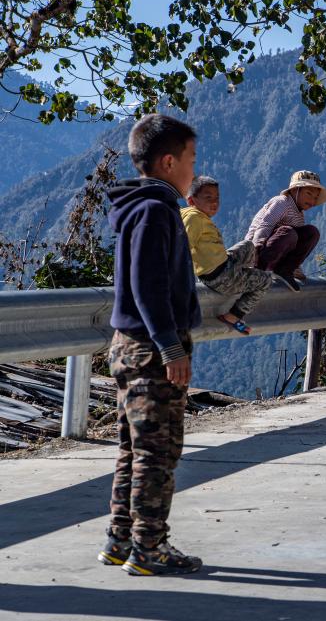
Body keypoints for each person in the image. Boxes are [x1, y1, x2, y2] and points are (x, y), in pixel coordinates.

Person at [99, 113, 203, 575]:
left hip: (130, 344)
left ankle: (120, 541)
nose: (194, 170)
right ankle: (149, 549)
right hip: (150, 347)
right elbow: (148, 284)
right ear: (167, 162)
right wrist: (171, 347)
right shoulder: (156, 209)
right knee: (158, 454)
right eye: (190, 159)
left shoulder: (141, 206)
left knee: (133, 449)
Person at [181, 175, 273, 334]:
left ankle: (245, 276)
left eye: (217, 197)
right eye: (208, 198)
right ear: (191, 201)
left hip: (224, 265)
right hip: (220, 276)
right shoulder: (194, 218)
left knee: (248, 246)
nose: (214, 202)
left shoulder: (191, 214)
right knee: (265, 280)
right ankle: (234, 316)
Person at [244, 170, 326, 292]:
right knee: (289, 233)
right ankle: (258, 271)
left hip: (276, 251)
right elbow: (265, 225)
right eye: (309, 194)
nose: (312, 200)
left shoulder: (299, 215)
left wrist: (295, 267)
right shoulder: (282, 202)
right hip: (257, 253)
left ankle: (285, 271)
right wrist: (255, 252)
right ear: (295, 190)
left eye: (315, 197)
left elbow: (297, 245)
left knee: (312, 233)